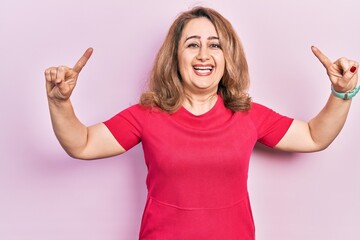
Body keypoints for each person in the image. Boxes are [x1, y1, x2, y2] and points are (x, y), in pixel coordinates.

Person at [44, 6, 358, 240]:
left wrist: (342, 93)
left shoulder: (248, 115)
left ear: (227, 56)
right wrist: (60, 102)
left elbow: (316, 136)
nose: (204, 54)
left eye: (215, 44)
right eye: (193, 44)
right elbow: (81, 144)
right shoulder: (146, 115)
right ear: (175, 56)